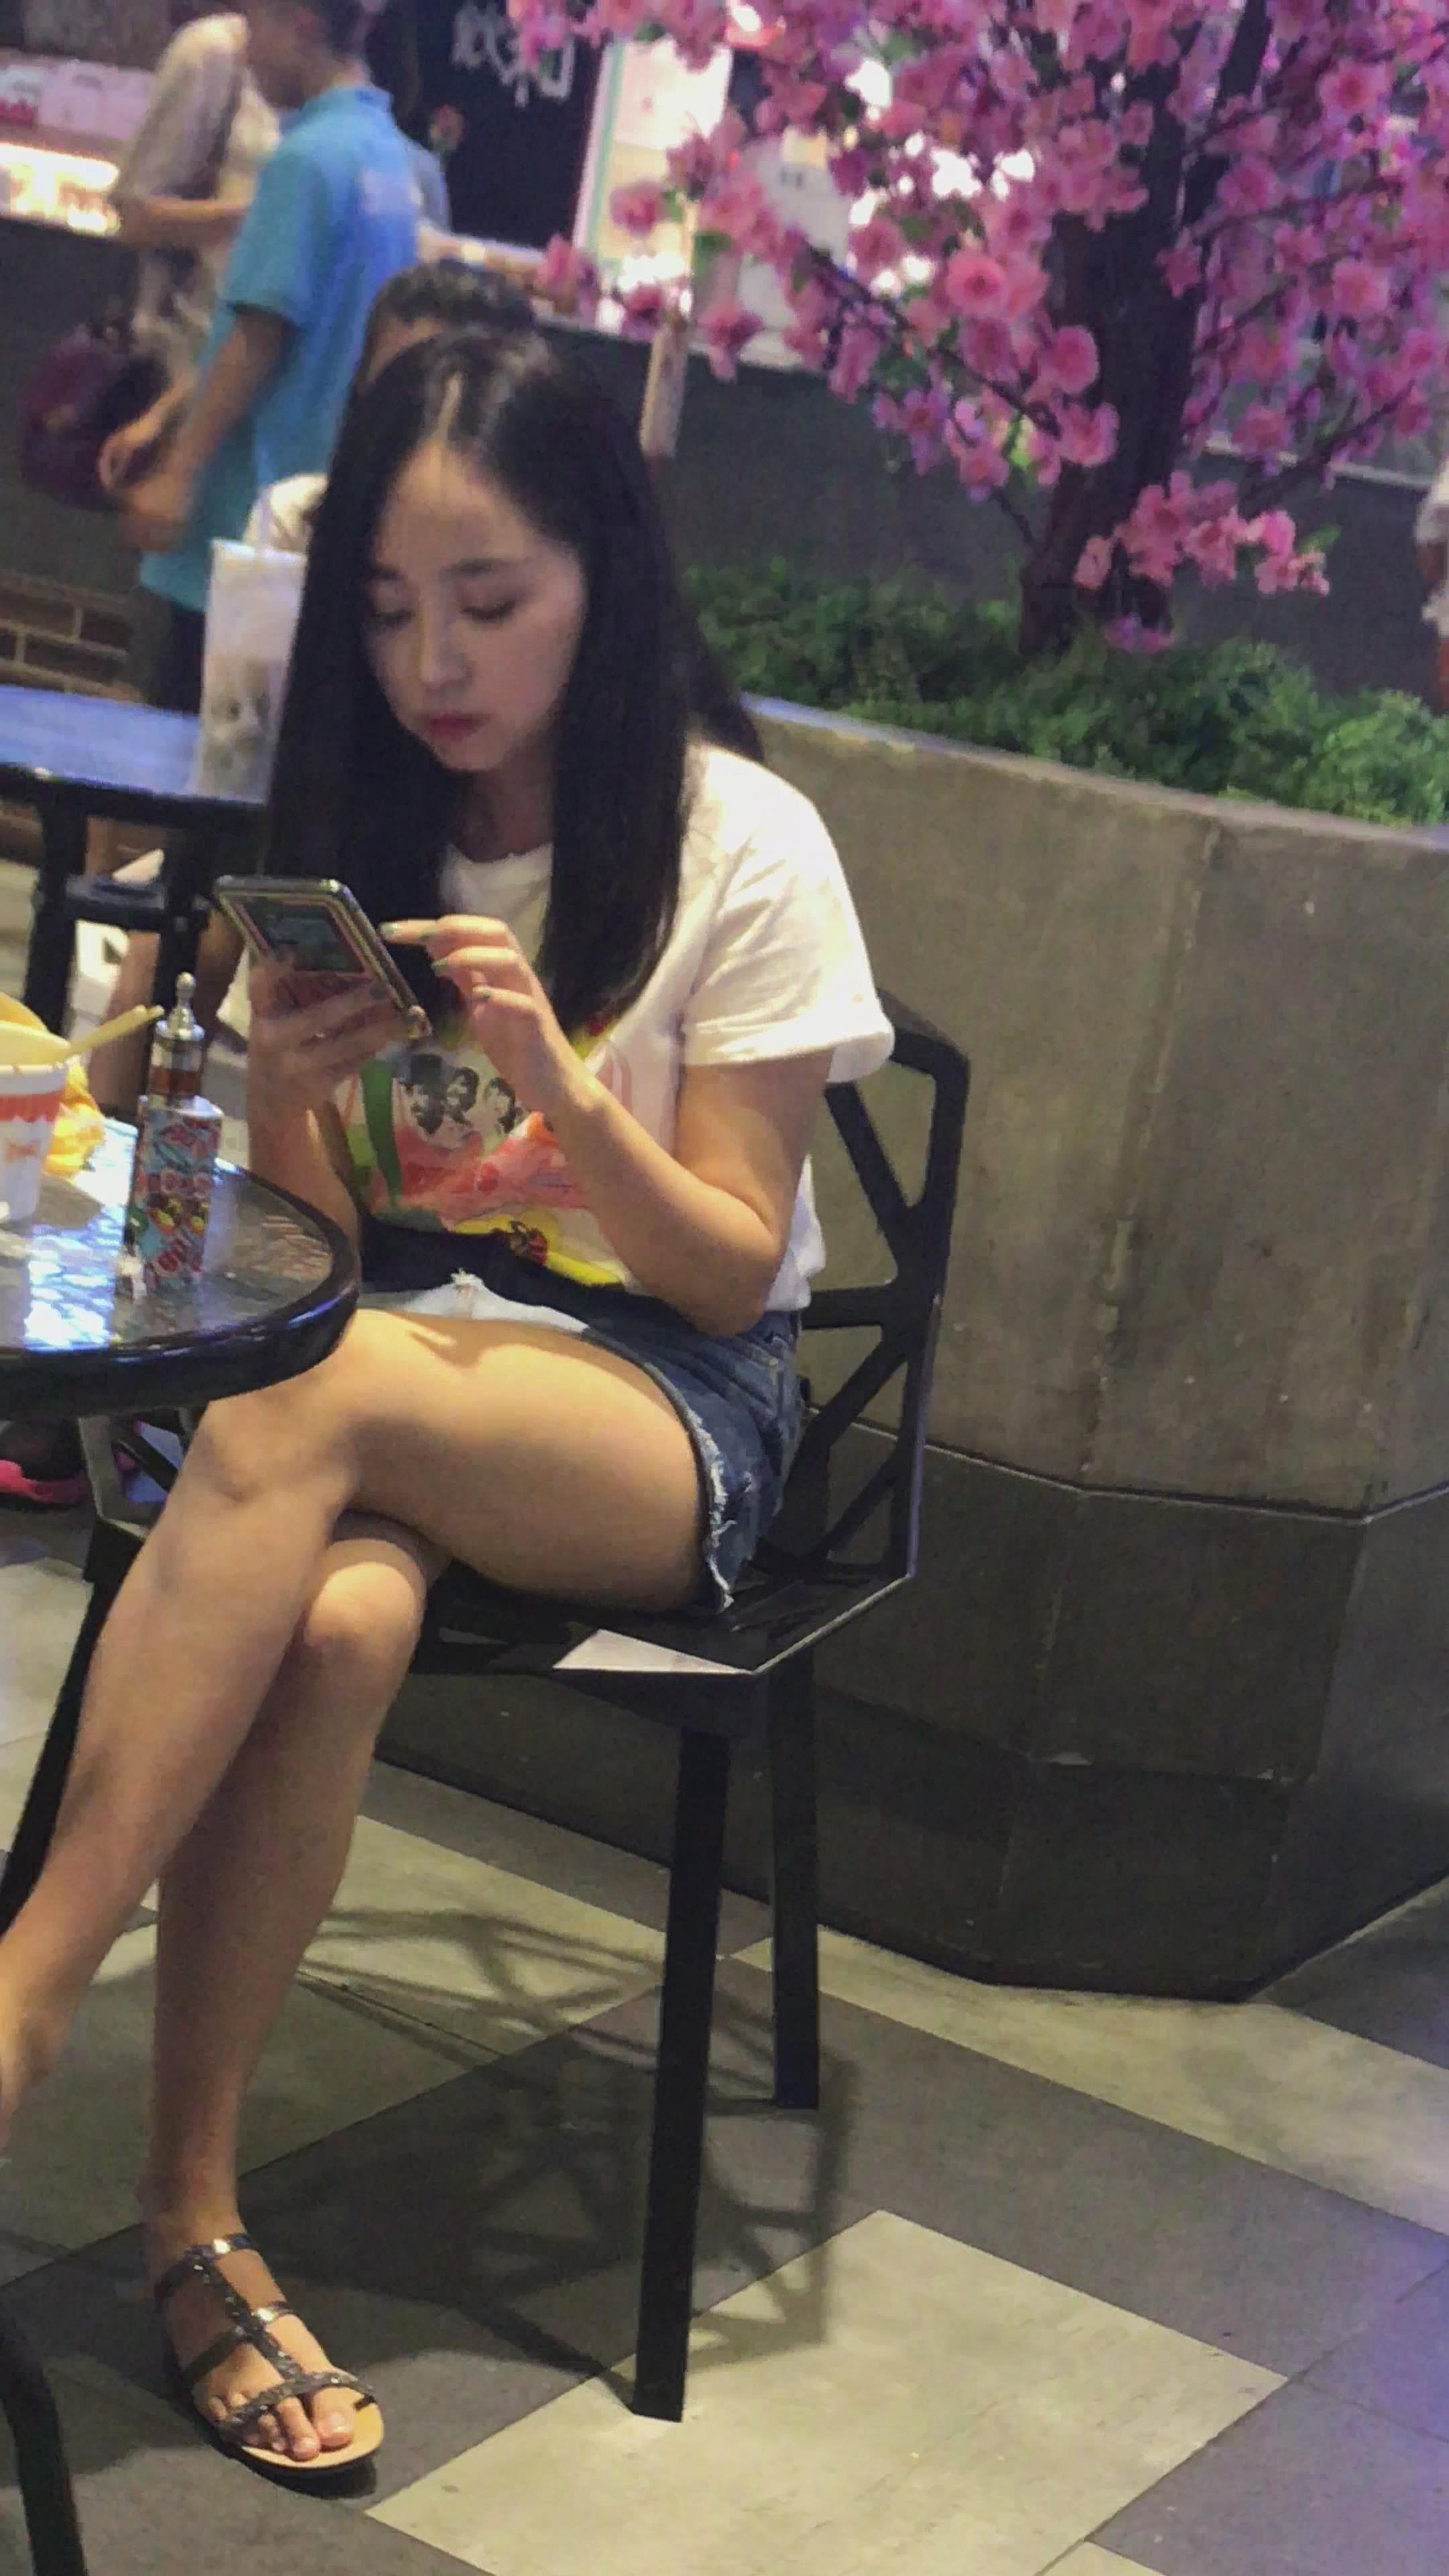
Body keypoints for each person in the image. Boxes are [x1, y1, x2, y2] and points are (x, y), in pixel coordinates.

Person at [0, 327, 892, 2476]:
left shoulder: (741, 842)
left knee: (320, 1400)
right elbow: (312, 1255)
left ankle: (20, 1996)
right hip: (385, 1367)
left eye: (489, 602)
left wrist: (566, 1090)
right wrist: (281, 1101)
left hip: (668, 1404)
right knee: (335, 1620)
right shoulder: (363, 827)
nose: (434, 665)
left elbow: (723, 1259)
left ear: (604, 574)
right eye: (391, 611)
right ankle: (198, 2223)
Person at [117, 0, 419, 716]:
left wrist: (178, 473)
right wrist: (165, 412)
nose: (247, 52)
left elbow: (260, 331)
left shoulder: (307, 161)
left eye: (255, 26)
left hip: (237, 519)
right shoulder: (385, 160)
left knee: (170, 730)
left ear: (302, 25)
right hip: (302, 523)